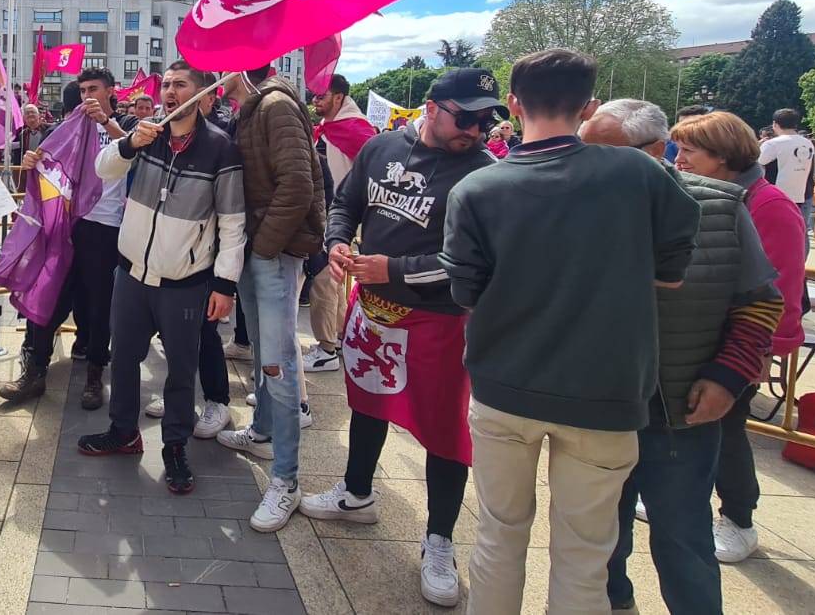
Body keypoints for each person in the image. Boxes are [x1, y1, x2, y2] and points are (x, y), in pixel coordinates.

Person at [441, 49, 701, 615]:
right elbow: (674, 267)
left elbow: (466, 290)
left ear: (512, 104)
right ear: (589, 107)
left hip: (504, 383)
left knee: (499, 534)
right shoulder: (639, 173)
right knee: (586, 553)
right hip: (606, 391)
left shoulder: (478, 189)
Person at [307, 67, 502, 607]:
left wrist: (393, 269)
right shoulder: (381, 147)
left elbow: (473, 262)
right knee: (365, 404)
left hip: (438, 319)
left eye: (487, 119)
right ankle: (356, 492)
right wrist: (339, 241)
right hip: (372, 309)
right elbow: (345, 202)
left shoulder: (483, 172)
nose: (477, 129)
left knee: (443, 430)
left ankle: (439, 538)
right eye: (467, 117)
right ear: (433, 108)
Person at [581, 100, 783, 615]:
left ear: (655, 151)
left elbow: (761, 302)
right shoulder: (571, 205)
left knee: (684, 544)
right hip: (591, 410)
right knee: (596, 541)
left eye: (604, 155)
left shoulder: (719, 206)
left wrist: (727, 377)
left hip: (679, 412)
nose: (585, 166)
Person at [77, 63, 245, 495]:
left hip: (184, 282)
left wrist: (225, 285)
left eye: (180, 85)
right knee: (126, 358)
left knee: (180, 372)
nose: (170, 91)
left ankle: (174, 447)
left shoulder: (220, 149)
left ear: (202, 93)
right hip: (131, 275)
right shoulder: (144, 133)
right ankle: (123, 432)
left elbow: (232, 223)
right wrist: (130, 142)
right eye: (167, 84)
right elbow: (104, 170)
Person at [670, 111, 808, 566]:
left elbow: (781, 289)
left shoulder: (769, 205)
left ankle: (738, 518)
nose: (680, 158)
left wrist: (758, 351)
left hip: (738, 346)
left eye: (690, 149)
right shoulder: (704, 194)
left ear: (723, 154)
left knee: (727, 432)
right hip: (701, 335)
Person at [216, 66, 326, 533]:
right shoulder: (252, 108)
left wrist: (263, 248)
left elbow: (298, 185)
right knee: (265, 352)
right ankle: (261, 430)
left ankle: (287, 479)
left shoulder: (275, 105)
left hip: (272, 251)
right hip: (258, 247)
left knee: (279, 363)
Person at [8, 69, 137, 409]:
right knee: (48, 295)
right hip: (66, 226)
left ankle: (95, 374)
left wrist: (107, 123)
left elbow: (135, 151)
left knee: (98, 306)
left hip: (105, 228)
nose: (86, 96)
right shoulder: (66, 127)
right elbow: (49, 161)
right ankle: (34, 371)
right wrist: (33, 161)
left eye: (93, 89)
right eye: (82, 90)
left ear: (111, 91)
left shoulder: (127, 125)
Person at [306, 73, 374, 373]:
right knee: (332, 285)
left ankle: (326, 349)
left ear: (339, 97)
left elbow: (375, 174)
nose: (315, 100)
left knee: (324, 282)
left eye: (321, 95)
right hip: (329, 213)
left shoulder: (356, 130)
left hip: (339, 217)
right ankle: (338, 340)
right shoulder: (329, 129)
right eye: (314, 95)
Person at [758, 108, 815, 230]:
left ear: (775, 124)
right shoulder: (808, 143)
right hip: (803, 192)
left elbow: (759, 163)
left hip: (777, 193)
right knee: (799, 231)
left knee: (776, 231)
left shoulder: (773, 144)